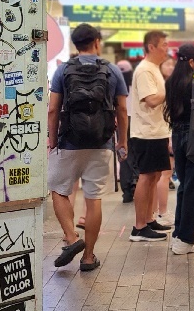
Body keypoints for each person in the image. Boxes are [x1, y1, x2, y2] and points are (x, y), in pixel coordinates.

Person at [47, 23, 128, 271]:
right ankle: (88, 257)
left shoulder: (63, 71)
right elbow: (122, 110)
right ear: (97, 41)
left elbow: (53, 109)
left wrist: (52, 140)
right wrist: (122, 141)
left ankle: (72, 238)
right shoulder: (112, 70)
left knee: (59, 190)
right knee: (93, 199)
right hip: (101, 142)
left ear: (75, 44)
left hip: (70, 140)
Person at [164, 44, 194, 255]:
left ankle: (178, 234)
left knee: (185, 184)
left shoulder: (170, 83)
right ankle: (186, 239)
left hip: (177, 135)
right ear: (192, 61)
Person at [129, 31, 172, 241]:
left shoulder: (154, 69)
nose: (167, 48)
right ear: (151, 47)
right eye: (163, 44)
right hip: (146, 133)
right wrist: (172, 90)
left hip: (157, 131)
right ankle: (139, 227)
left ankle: (148, 219)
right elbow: (152, 100)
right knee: (146, 177)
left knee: (154, 176)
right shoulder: (145, 70)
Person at [155, 56, 177, 226]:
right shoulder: (163, 86)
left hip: (165, 133)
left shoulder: (167, 84)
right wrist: (170, 136)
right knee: (165, 174)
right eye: (167, 64)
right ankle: (161, 212)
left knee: (162, 175)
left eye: (172, 64)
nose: (171, 67)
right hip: (165, 133)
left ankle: (158, 212)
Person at [116, 59, 138, 203]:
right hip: (135, 122)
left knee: (123, 156)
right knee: (136, 154)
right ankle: (135, 182)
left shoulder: (114, 86)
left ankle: (126, 191)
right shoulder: (135, 85)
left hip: (120, 122)